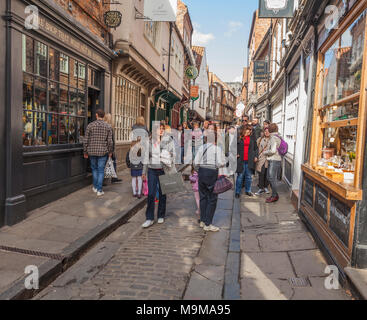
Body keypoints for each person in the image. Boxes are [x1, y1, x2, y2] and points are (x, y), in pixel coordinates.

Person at [194, 126, 226, 232]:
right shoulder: (217, 149)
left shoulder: (201, 148)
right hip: (212, 173)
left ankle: (203, 220)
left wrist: (199, 171)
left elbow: (195, 163)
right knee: (212, 198)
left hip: (202, 172)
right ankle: (208, 223)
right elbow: (221, 163)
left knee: (203, 197)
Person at [141, 124, 171, 228]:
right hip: (152, 170)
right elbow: (145, 157)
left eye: (163, 129)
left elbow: (171, 154)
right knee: (151, 194)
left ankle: (161, 215)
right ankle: (149, 218)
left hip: (163, 170)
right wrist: (144, 172)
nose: (162, 130)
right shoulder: (148, 142)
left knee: (163, 193)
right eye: (160, 129)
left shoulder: (166, 141)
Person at [83, 109, 113, 196]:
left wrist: (85, 151)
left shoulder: (90, 125)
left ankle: (95, 187)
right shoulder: (108, 126)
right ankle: (99, 190)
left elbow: (86, 140)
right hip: (103, 152)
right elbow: (110, 141)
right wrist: (110, 151)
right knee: (100, 170)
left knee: (94, 169)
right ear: (103, 116)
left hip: (92, 151)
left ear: (96, 115)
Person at [235, 125, 258, 198]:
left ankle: (248, 190)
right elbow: (233, 147)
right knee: (240, 177)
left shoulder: (252, 138)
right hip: (241, 160)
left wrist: (256, 156)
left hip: (249, 160)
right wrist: (236, 153)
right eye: (249, 130)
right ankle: (237, 192)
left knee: (249, 177)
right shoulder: (239, 138)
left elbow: (256, 148)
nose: (250, 131)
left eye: (251, 130)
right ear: (244, 130)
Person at [264, 123, 283, 203]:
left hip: (274, 160)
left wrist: (265, 152)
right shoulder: (278, 136)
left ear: (270, 129)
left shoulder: (273, 138)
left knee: (271, 178)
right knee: (269, 177)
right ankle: (274, 195)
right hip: (275, 159)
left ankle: (274, 196)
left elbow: (273, 150)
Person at [104, 113, 122, 184]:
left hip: (103, 148)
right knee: (112, 162)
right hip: (109, 149)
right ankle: (113, 178)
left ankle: (110, 178)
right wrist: (112, 150)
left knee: (105, 164)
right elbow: (111, 140)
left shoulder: (104, 125)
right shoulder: (110, 127)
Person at [255, 128, 271, 196]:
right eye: (265, 131)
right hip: (261, 159)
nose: (266, 132)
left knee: (267, 174)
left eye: (268, 131)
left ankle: (265, 187)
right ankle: (261, 188)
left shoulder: (272, 139)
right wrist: (256, 157)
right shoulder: (260, 139)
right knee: (261, 173)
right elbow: (256, 149)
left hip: (269, 159)